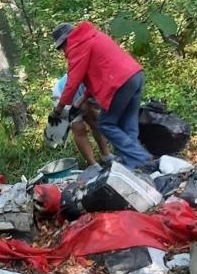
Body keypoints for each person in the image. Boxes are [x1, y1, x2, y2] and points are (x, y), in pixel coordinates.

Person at [49, 21, 153, 167]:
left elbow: (72, 83)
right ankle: (134, 166)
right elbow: (97, 75)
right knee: (128, 126)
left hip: (119, 82)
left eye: (61, 47)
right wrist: (83, 99)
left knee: (106, 124)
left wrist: (58, 110)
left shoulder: (77, 46)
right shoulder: (94, 36)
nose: (63, 51)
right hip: (135, 75)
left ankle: (140, 157)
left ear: (66, 41)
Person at [52, 72, 111, 168]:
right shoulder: (94, 78)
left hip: (84, 93)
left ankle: (106, 156)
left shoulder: (109, 80)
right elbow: (85, 106)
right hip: (63, 94)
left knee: (96, 122)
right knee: (79, 129)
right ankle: (93, 165)